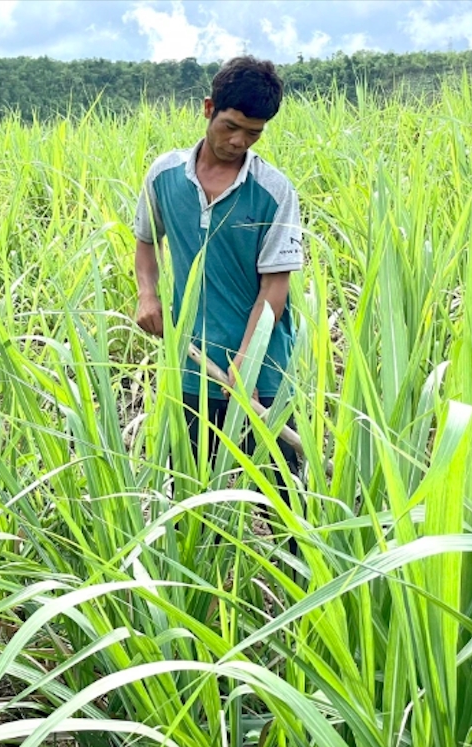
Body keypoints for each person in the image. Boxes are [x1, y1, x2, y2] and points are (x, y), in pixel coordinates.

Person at [132, 55, 304, 477]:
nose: (239, 142)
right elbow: (146, 241)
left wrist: (247, 359)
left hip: (262, 371)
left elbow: (274, 288)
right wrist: (148, 295)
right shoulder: (164, 176)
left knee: (287, 499)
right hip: (191, 366)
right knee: (196, 491)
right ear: (209, 109)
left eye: (253, 133)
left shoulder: (274, 191)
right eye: (231, 126)